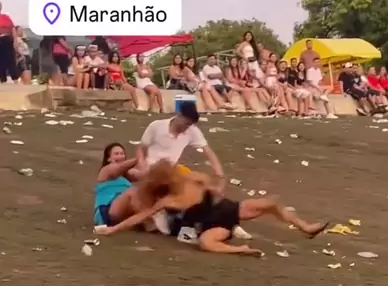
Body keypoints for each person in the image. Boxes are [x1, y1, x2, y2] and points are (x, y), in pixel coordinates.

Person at [98, 163, 330, 256]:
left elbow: (213, 185)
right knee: (206, 243)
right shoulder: (170, 200)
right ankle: (241, 249)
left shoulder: (192, 180)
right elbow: (141, 215)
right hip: (213, 224)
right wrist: (114, 229)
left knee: (271, 203)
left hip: (230, 209)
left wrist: (215, 186)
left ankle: (306, 227)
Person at [137, 101, 224, 181]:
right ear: (179, 115)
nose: (186, 127)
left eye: (189, 125)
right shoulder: (156, 126)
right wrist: (142, 164)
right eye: (186, 123)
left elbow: (207, 150)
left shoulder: (191, 130)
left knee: (196, 181)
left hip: (171, 169)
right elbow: (141, 148)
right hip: (151, 167)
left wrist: (218, 170)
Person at [94, 143, 147, 226]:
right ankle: (148, 220)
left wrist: (146, 157)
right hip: (106, 211)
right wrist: (139, 157)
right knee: (132, 192)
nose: (120, 156)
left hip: (122, 212)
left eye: (122, 154)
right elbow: (118, 168)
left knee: (147, 191)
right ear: (108, 159)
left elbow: (145, 175)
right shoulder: (106, 171)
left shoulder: (128, 173)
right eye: (116, 154)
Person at [0, 2, 18, 83]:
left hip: (7, 40)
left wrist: (15, 41)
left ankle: (15, 80)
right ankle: (2, 80)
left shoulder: (6, 17)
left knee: (10, 60)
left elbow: (13, 29)